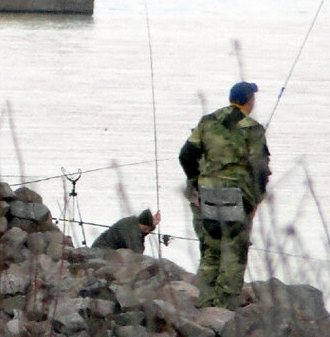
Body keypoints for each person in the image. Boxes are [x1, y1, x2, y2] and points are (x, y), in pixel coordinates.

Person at [178, 81, 271, 310]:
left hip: (209, 193)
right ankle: (224, 310)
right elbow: (260, 170)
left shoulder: (207, 122)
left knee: (211, 250)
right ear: (250, 101)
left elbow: (186, 155)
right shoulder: (253, 128)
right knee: (234, 252)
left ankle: (203, 303)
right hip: (236, 196)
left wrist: (196, 183)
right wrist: (257, 198)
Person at [91, 208, 161, 253]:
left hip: (112, 250)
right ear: (142, 223)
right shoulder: (132, 230)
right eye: (146, 228)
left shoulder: (134, 222)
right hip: (102, 250)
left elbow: (141, 232)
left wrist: (153, 225)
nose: (147, 231)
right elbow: (137, 251)